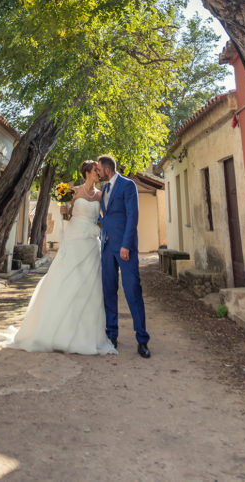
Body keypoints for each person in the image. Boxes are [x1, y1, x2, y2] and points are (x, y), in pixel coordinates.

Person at [0, 160, 116, 355]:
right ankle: (55, 330)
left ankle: (85, 334)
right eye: (95, 171)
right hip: (74, 240)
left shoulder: (100, 195)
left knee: (89, 286)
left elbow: (105, 218)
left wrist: (104, 230)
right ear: (86, 172)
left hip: (90, 243)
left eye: (99, 171)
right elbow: (68, 215)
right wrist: (65, 211)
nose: (99, 174)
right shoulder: (73, 192)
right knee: (66, 280)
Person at [97, 153, 151, 358]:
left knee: (132, 292)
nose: (98, 173)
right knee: (109, 292)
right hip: (107, 247)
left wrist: (126, 245)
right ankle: (112, 335)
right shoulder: (103, 189)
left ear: (108, 169)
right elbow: (107, 217)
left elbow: (132, 217)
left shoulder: (128, 185)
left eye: (100, 170)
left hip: (125, 248)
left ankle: (142, 340)